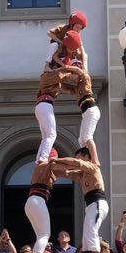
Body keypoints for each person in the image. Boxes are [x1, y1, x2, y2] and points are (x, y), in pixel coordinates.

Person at [34, 10, 99, 162]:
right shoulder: (53, 75)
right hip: (47, 104)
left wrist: (77, 67)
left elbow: (73, 75)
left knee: (81, 138)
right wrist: (67, 63)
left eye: (81, 28)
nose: (79, 30)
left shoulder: (80, 81)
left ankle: (41, 160)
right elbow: (51, 37)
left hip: (49, 104)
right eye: (77, 27)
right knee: (55, 135)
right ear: (72, 23)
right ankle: (43, 159)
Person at [52, 140, 106, 253]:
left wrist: (56, 160)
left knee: (91, 231)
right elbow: (66, 173)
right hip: (91, 205)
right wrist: (49, 167)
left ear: (86, 157)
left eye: (79, 159)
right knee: (87, 235)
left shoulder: (92, 167)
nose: (77, 162)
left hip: (98, 203)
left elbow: (75, 163)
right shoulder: (82, 174)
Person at [25, 152, 63, 253]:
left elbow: (65, 173)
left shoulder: (40, 167)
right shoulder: (46, 164)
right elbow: (63, 170)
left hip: (30, 202)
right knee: (45, 235)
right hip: (38, 200)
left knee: (39, 235)